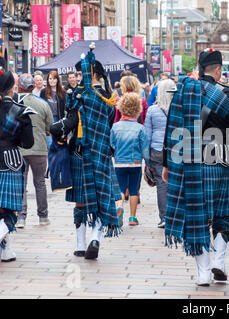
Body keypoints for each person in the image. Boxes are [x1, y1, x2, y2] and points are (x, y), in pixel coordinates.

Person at [163, 48, 229, 287]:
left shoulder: (182, 94)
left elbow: (172, 128)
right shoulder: (227, 96)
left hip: (191, 165)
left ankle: (202, 274)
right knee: (222, 215)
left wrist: (167, 163)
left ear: (199, 69)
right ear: (219, 69)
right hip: (220, 163)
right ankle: (218, 263)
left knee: (197, 217)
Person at [50, 48, 121, 260]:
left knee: (81, 201)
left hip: (80, 155)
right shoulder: (109, 97)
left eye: (81, 74)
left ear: (92, 73)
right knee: (101, 198)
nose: (77, 78)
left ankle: (81, 245)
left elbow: (70, 123)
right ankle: (95, 238)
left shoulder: (81, 97)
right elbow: (107, 124)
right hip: (101, 154)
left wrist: (55, 129)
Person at [0, 69, 35, 262]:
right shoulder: (20, 111)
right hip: (10, 161)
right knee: (9, 210)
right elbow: (27, 143)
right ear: (12, 89)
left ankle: (5, 250)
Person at [16, 74, 53, 228]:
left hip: (20, 149)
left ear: (20, 87)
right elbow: (50, 127)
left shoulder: (15, 104)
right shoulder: (42, 104)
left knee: (21, 184)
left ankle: (21, 217)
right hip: (39, 149)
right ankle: (43, 216)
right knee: (40, 183)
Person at [111, 93, 150, 227]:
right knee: (134, 189)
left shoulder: (115, 126)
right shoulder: (140, 128)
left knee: (121, 189)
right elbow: (145, 149)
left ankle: (119, 207)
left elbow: (112, 144)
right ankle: (132, 217)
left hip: (120, 162)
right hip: (135, 162)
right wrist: (148, 164)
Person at [144, 79, 176, 228]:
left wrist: (147, 158)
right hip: (176, 149)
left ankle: (164, 217)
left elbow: (147, 135)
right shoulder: (178, 109)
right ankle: (176, 215)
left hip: (157, 150)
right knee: (176, 183)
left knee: (162, 185)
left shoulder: (152, 110)